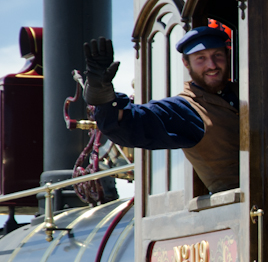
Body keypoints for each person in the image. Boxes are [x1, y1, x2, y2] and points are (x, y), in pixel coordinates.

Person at [83, 26, 239, 193]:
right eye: (201, 58)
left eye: (218, 55)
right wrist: (102, 94)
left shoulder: (247, 92)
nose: (212, 65)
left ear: (228, 56)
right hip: (237, 209)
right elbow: (133, 123)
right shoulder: (187, 109)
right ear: (186, 63)